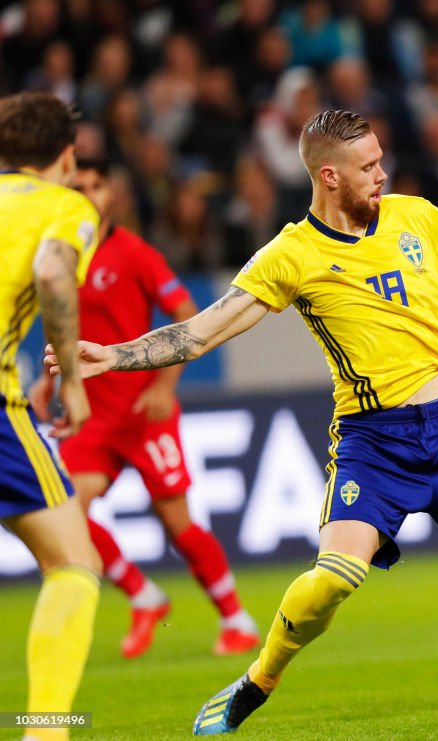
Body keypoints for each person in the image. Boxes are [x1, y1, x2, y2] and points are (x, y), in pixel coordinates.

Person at [45, 110, 438, 737]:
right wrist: (114, 356)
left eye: (381, 160)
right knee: (334, 579)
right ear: (328, 176)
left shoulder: (418, 217)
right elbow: (200, 330)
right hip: (375, 442)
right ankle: (257, 681)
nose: (382, 174)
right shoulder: (291, 254)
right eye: (368, 167)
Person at [28, 157, 261, 660]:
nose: (87, 193)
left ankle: (235, 618)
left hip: (140, 411)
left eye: (95, 184)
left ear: (110, 192)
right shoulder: (61, 254)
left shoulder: (135, 254)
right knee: (68, 511)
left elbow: (185, 316)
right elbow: (59, 322)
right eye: (77, 185)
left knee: (176, 523)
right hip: (90, 413)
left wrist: (164, 386)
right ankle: (142, 594)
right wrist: (44, 381)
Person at [0, 91, 101, 741]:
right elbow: (55, 276)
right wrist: (71, 380)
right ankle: (45, 730)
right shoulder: (67, 207)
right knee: (74, 564)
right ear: (67, 155)